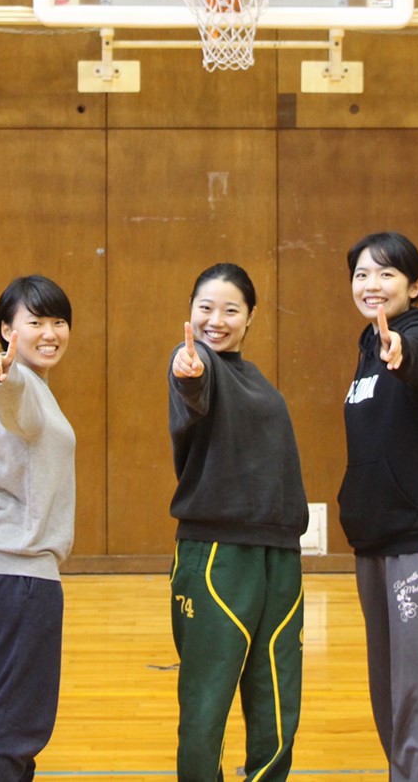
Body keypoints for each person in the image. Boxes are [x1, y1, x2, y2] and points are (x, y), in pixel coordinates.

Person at [168, 262, 309, 782]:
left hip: (279, 554)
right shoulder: (193, 361)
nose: (216, 320)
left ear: (250, 317)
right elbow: (193, 386)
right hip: (216, 558)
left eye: (231, 309)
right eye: (205, 308)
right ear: (190, 314)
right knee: (207, 703)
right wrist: (191, 373)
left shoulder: (255, 378)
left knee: (276, 697)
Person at [338, 231, 418, 782]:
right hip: (376, 538)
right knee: (389, 693)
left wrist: (402, 350)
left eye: (386, 274)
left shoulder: (417, 334)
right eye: (362, 274)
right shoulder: (367, 348)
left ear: (414, 286)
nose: (372, 284)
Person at [0, 275, 77, 780]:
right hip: (21, 578)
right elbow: (4, 388)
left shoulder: (40, 389)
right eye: (35, 322)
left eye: (58, 321)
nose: (50, 332)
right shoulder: (19, 381)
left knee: (9, 724)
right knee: (12, 733)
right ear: (7, 329)